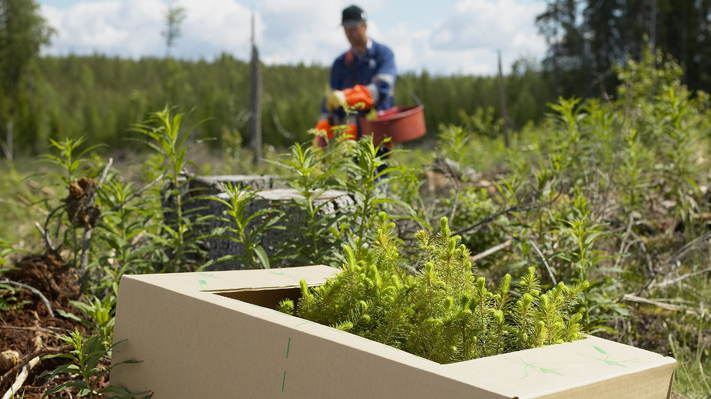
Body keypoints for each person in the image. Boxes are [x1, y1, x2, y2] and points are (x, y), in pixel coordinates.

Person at [313, 5, 396, 150]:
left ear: (364, 26)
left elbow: (382, 88)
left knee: (380, 173)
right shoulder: (340, 63)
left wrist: (347, 96)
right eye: (346, 30)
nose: (349, 34)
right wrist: (321, 140)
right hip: (350, 141)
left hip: (379, 136)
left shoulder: (383, 55)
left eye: (353, 29)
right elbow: (330, 107)